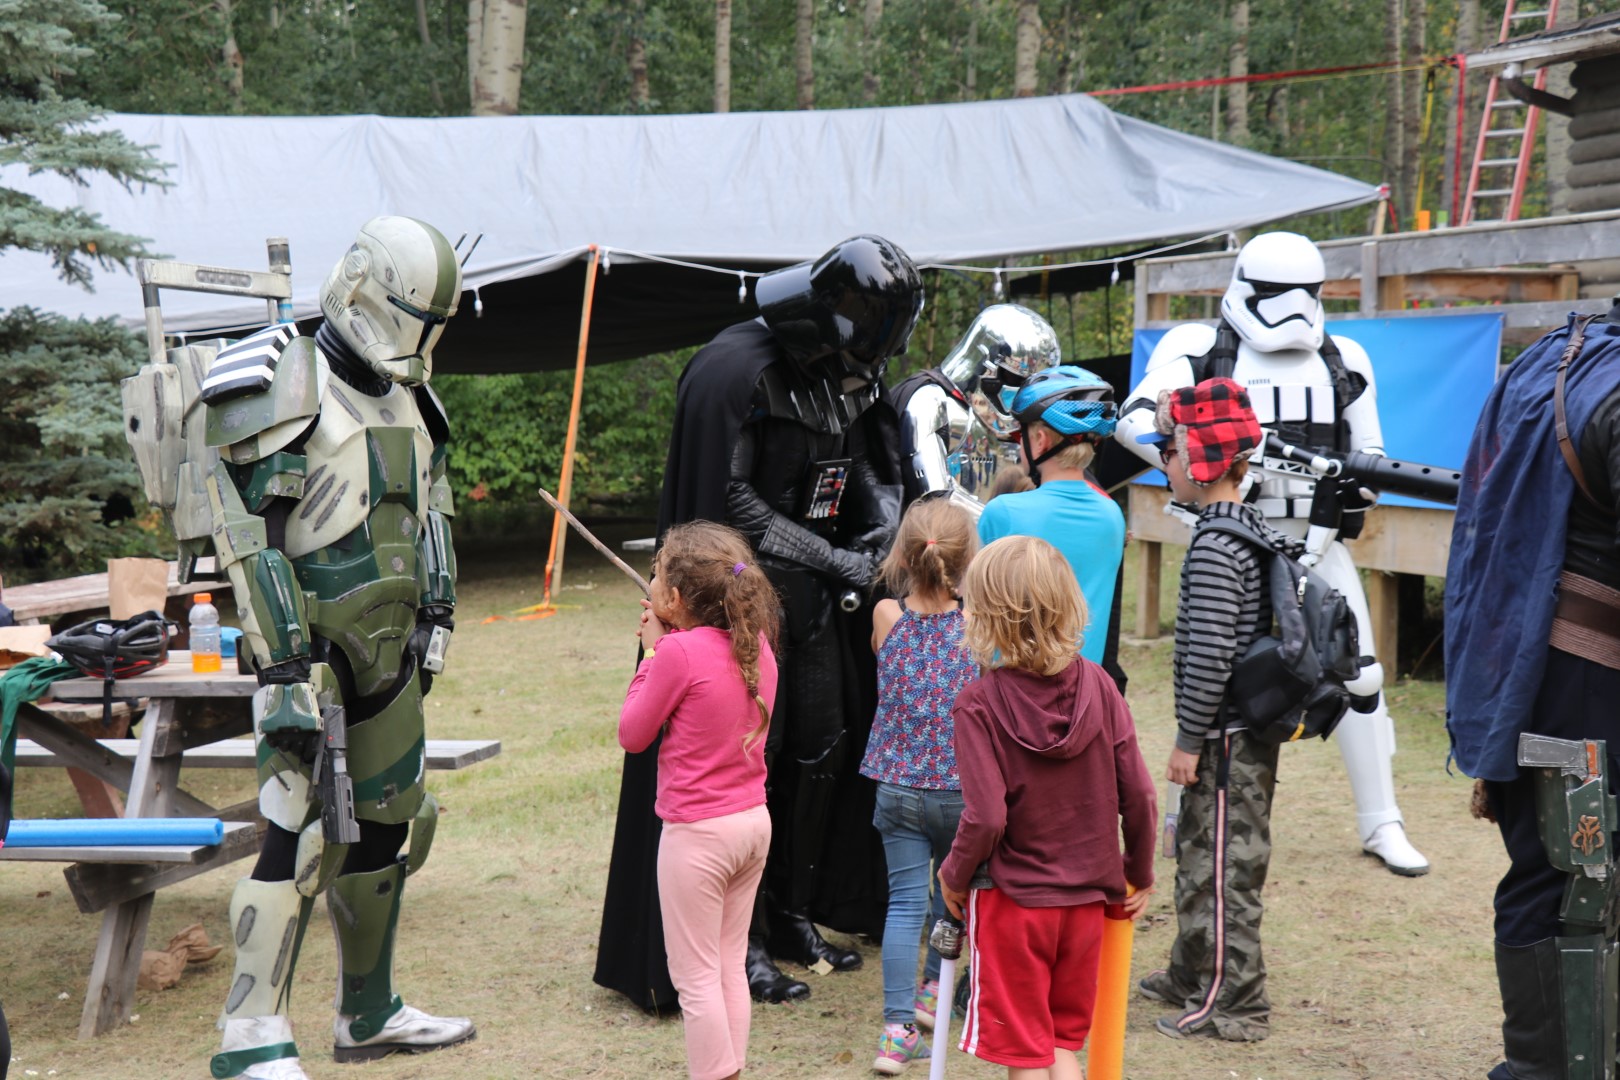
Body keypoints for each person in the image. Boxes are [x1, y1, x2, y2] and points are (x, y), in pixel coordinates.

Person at [125, 217, 476, 1079]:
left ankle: (369, 1012)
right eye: (409, 317)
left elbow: (431, 510)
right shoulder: (279, 375)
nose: (417, 340)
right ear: (360, 287)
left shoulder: (412, 394)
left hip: (392, 649)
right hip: (307, 648)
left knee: (392, 824)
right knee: (294, 835)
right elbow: (249, 535)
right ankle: (250, 1035)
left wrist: (435, 616)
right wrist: (283, 666)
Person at [596, 235, 921, 1008]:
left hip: (817, 607)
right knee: (751, 763)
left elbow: (871, 462)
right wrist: (832, 555)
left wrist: (879, 528)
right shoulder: (737, 372)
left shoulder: (850, 373)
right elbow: (734, 498)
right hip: (745, 606)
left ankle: (793, 915)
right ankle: (738, 940)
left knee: (822, 751)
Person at [1114, 231, 1429, 878]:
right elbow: (1133, 420)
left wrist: (1343, 489)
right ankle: (1180, 814)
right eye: (1276, 294)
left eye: (1303, 294)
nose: (1291, 308)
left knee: (1362, 674)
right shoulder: (1199, 347)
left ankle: (1382, 819)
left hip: (1317, 540)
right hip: (1231, 538)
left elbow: (1370, 459)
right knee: (1208, 671)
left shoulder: (1343, 357)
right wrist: (1216, 460)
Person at [1444, 300, 1620, 1080]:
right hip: (1583, 678)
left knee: (1560, 875)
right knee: (1570, 882)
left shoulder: (1556, 353)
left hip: (1529, 667)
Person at [938, 534, 1157, 1080]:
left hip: (1015, 904)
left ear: (984, 615)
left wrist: (953, 874)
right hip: (1085, 905)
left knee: (1026, 1053)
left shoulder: (977, 704)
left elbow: (986, 816)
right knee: (1059, 1045)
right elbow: (1140, 794)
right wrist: (1138, 871)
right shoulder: (1101, 685)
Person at [1134, 377, 1294, 1043]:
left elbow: (1208, 657)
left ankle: (1235, 1004)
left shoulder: (1215, 547)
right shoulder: (1243, 528)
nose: (1163, 463)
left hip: (1225, 742)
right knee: (1200, 856)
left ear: (1200, 460)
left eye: (1169, 451)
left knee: (1225, 870)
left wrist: (1187, 740)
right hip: (1232, 735)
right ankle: (1190, 970)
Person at [619, 522, 781, 1080]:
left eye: (657, 573)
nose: (651, 580)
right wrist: (670, 641)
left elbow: (633, 733)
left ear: (675, 597)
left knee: (695, 978)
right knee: (728, 964)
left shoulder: (676, 653)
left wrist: (651, 653)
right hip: (752, 824)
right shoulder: (755, 643)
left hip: (699, 837)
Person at [858, 497, 980, 1075]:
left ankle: (896, 1030)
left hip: (898, 787)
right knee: (953, 893)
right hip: (963, 792)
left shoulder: (887, 615)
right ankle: (936, 987)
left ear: (903, 556)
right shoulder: (978, 622)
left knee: (905, 904)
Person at [977, 366, 1124, 667]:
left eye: (1019, 435)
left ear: (1040, 440)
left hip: (1011, 689)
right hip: (1084, 689)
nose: (1018, 444)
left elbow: (975, 609)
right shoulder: (1112, 516)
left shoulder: (1003, 513)